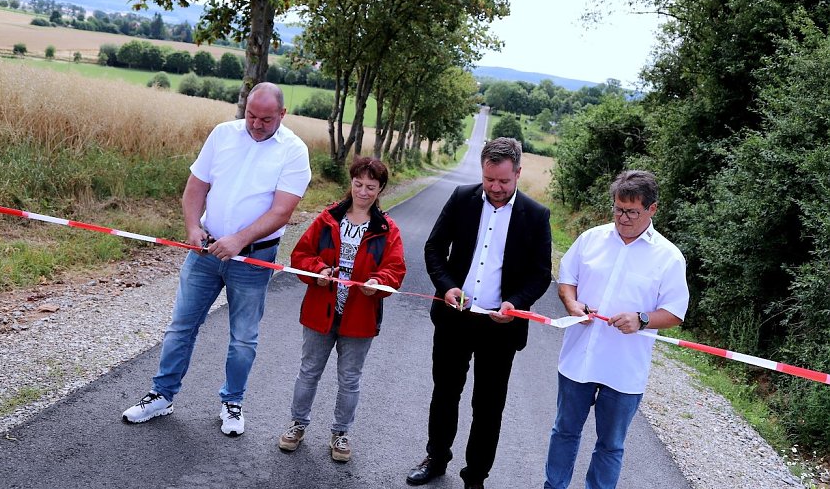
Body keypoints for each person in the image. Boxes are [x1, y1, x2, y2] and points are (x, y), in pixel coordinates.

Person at [122, 82, 311, 437]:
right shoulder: (223, 134)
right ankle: (161, 395)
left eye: (266, 119)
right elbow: (196, 186)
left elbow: (282, 211)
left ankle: (232, 403)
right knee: (181, 326)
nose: (256, 124)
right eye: (251, 115)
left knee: (243, 338)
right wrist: (193, 228)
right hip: (205, 251)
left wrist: (239, 240)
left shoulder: (294, 151)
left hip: (254, 260)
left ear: (282, 115)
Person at [406, 137, 553, 489]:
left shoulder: (535, 215)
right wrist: (446, 287)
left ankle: (475, 478)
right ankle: (436, 458)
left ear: (518, 172)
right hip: (454, 317)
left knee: (488, 407)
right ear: (482, 171)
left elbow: (540, 274)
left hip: (501, 326)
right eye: (489, 180)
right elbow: (434, 248)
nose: (496, 188)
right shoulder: (461, 199)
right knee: (445, 393)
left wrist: (515, 303)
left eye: (504, 181)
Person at [544, 170, 689, 489]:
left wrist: (643, 319)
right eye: (618, 209)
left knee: (610, 445)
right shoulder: (591, 239)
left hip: (624, 369)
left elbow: (675, 312)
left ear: (652, 209)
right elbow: (566, 280)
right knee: (564, 431)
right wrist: (572, 304)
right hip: (578, 358)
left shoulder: (669, 258)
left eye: (631, 212)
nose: (622, 218)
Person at [277, 156, 406, 462]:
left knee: (350, 378)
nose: (363, 191)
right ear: (351, 183)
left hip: (360, 317)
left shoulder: (387, 229)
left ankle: (341, 434)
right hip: (320, 311)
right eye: (358, 184)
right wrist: (318, 271)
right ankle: (297, 425)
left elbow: (396, 270)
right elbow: (301, 256)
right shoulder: (327, 219)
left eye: (370, 186)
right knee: (308, 371)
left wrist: (379, 280)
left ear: (381, 189)